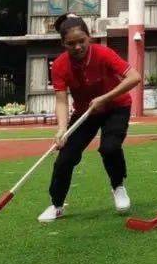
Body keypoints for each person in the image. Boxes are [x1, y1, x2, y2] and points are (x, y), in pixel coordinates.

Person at [38, 14, 142, 223]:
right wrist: (61, 129)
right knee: (65, 158)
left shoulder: (104, 54)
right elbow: (61, 100)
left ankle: (118, 186)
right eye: (70, 44)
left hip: (116, 107)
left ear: (89, 38)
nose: (77, 47)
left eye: (81, 41)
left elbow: (135, 77)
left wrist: (105, 98)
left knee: (110, 147)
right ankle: (57, 205)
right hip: (85, 112)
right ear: (63, 44)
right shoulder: (59, 65)